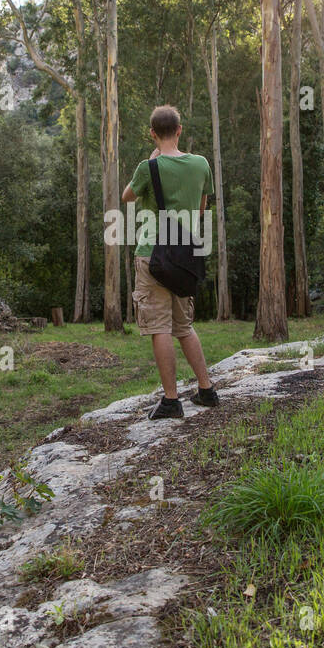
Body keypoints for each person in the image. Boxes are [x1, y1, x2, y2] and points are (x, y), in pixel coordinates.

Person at [121, 104, 220, 420]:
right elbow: (202, 208)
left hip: (153, 254)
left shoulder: (147, 168)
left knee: (159, 327)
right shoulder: (201, 164)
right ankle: (206, 390)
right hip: (185, 255)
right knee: (184, 326)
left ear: (152, 133)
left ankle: (171, 400)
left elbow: (127, 197)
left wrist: (152, 160)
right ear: (179, 130)